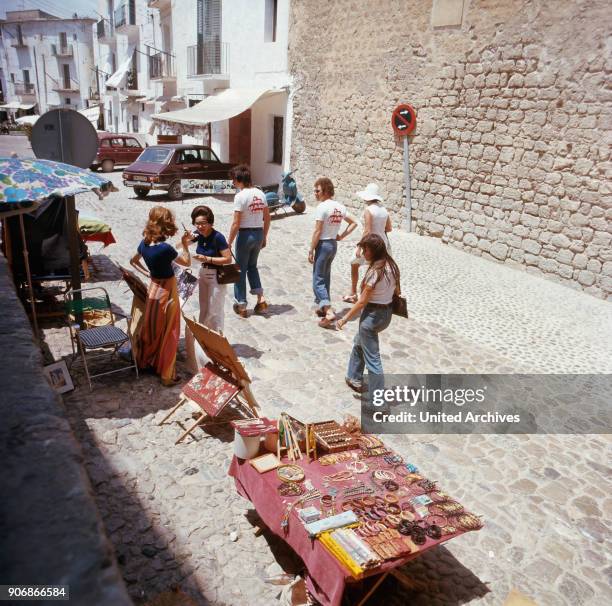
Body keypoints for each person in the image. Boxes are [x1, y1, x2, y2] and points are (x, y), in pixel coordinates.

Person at [130, 206, 191, 386]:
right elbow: (187, 262)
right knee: (170, 331)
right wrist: (185, 244)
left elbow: (133, 261)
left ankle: (147, 361)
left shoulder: (144, 244)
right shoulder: (165, 249)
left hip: (153, 289)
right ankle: (166, 374)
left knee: (152, 328)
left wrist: (147, 273)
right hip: (168, 292)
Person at [336, 234, 400, 393]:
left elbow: (362, 302)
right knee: (359, 343)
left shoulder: (374, 272)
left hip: (372, 317)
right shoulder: (392, 266)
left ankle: (378, 402)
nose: (362, 253)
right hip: (386, 314)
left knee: (373, 360)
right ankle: (354, 377)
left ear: (373, 251)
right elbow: (398, 291)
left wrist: (344, 319)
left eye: (365, 249)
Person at [185, 205, 231, 373]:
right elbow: (180, 245)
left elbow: (227, 259)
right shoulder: (198, 235)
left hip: (216, 277)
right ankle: (205, 345)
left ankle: (219, 346)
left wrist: (207, 258)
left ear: (210, 222)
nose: (200, 226)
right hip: (203, 274)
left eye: (203, 223)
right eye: (197, 223)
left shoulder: (218, 237)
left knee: (215, 310)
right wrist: (185, 238)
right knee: (204, 310)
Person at [308, 177, 357, 327]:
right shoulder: (339, 207)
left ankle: (328, 311)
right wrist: (341, 236)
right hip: (333, 245)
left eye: (317, 191)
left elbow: (317, 231)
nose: (315, 193)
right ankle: (323, 307)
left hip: (323, 244)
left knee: (318, 279)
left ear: (326, 190)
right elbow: (354, 222)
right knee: (326, 276)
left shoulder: (322, 207)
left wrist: (311, 249)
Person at [227, 164, 271, 317]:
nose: (233, 183)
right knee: (252, 266)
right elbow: (267, 217)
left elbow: (236, 223)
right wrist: (264, 236)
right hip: (258, 233)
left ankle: (241, 304)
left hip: (245, 235)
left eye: (233, 180)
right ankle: (261, 299)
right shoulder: (260, 193)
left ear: (239, 179)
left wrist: (229, 241)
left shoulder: (240, 196)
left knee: (240, 269)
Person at [343, 183, 392, 303]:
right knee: (375, 268)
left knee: (354, 263)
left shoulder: (368, 210)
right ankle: (372, 296)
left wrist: (360, 247)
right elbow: (389, 228)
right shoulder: (384, 210)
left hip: (370, 244)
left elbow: (368, 230)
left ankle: (354, 293)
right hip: (382, 243)